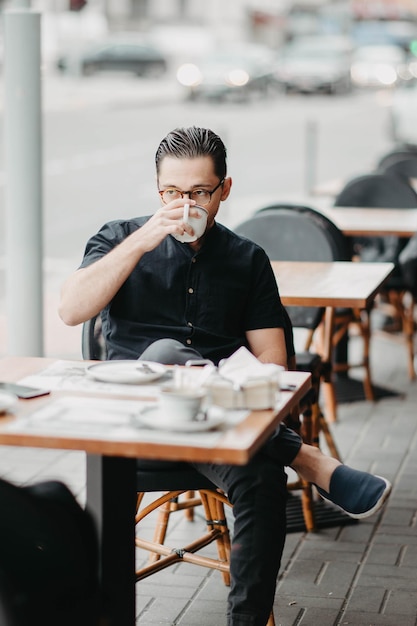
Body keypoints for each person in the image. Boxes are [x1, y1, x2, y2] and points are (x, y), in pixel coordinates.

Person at [59, 126, 391, 626]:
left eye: (198, 193)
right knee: (167, 352)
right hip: (135, 421)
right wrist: (147, 237)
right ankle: (303, 454)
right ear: (158, 191)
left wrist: (231, 382)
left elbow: (274, 365)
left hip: (222, 427)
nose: (183, 203)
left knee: (259, 476)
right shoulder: (118, 238)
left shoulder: (246, 259)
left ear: (225, 190)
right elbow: (70, 310)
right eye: (171, 192)